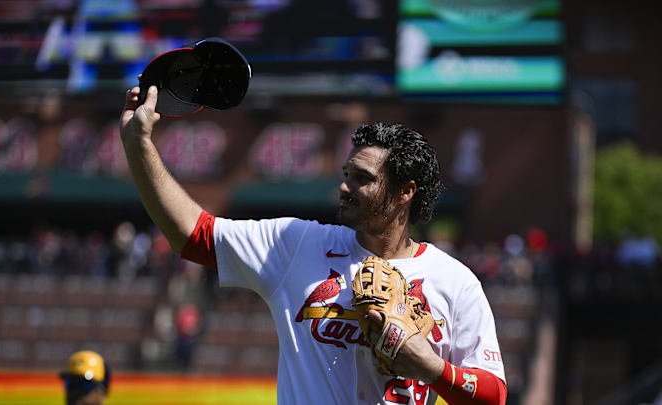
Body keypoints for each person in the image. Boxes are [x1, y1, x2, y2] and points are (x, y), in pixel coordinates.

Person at [120, 85, 507, 404]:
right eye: (346, 173)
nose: (344, 186)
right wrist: (140, 145)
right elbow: (195, 236)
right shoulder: (298, 244)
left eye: (362, 178)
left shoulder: (456, 282)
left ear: (405, 192)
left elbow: (494, 396)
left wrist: (432, 367)